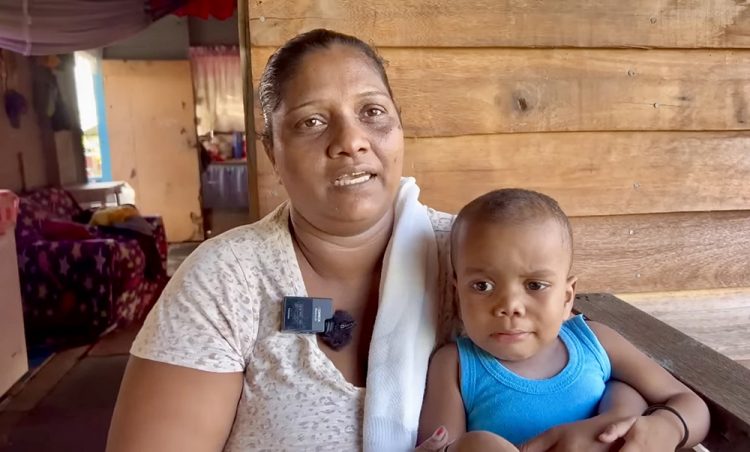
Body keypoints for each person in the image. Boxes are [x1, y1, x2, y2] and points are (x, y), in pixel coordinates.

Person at [106, 29, 647, 452]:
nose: (351, 142)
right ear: (271, 150)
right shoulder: (227, 279)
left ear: (398, 131)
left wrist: (654, 418)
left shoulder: (482, 256)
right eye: (312, 121)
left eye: (372, 113)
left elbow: (590, 376)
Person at [418, 189, 710, 451]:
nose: (509, 307)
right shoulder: (455, 364)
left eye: (535, 285)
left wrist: (667, 428)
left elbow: (688, 403)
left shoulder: (594, 342)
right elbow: (438, 445)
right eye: (482, 286)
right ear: (458, 295)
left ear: (567, 296)